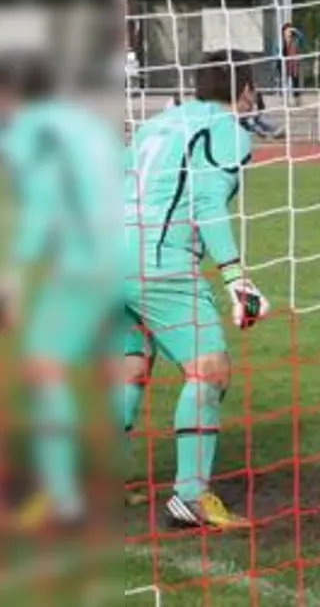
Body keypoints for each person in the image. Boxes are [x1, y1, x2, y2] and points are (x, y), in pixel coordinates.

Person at [122, 51, 271, 528]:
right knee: (209, 369)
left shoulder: (159, 122)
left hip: (103, 252)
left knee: (129, 367)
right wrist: (236, 280)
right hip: (158, 261)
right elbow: (207, 202)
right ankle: (191, 496)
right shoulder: (227, 128)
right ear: (245, 89)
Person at [0, 58, 123, 528]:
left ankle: (64, 497)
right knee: (115, 367)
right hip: (126, 258)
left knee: (43, 368)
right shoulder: (89, 125)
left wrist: (13, 280)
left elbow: (42, 205)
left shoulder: (30, 131)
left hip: (81, 266)